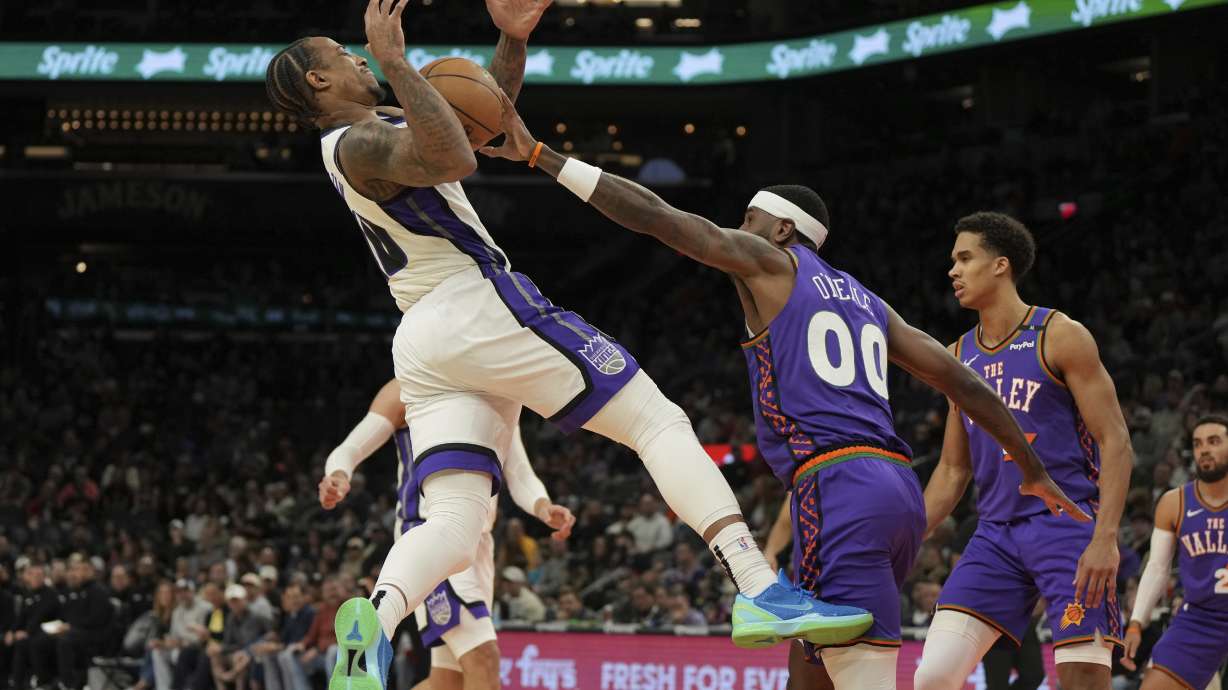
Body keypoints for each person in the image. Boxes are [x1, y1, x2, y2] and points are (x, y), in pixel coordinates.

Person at [266, 0, 871, 683]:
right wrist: (398, 62)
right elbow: (457, 155)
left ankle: (375, 623)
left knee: (457, 521)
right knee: (656, 420)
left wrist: (510, 39)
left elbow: (483, 117)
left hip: (425, 339)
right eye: (342, 55)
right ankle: (759, 587)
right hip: (475, 304)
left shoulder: (369, 135)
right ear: (318, 82)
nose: (357, 57)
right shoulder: (358, 143)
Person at [478, 96, 1086, 689]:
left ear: (783, 228)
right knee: (811, 666)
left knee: (862, 676)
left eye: (748, 220)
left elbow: (660, 218)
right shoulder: (869, 302)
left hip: (837, 486)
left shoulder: (771, 261)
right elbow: (965, 382)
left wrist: (541, 155)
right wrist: (1029, 466)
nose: (738, 231)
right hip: (898, 492)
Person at [916, 212, 1134, 690]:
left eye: (965, 258)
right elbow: (952, 469)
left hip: (1067, 525)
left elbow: (1115, 440)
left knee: (1082, 679)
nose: (953, 270)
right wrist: (907, 535)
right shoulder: (957, 355)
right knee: (933, 675)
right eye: (953, 260)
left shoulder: (1060, 334)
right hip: (995, 533)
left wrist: (1105, 537)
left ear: (1001, 265)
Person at [320, 378, 571, 690]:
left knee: (446, 681)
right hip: (434, 535)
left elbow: (517, 469)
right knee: (484, 661)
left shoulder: (497, 380)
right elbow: (352, 447)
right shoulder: (408, 384)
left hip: (478, 544)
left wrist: (542, 505)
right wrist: (338, 474)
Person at [1122, 416, 1228, 689]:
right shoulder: (1175, 502)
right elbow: (1157, 567)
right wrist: (1136, 622)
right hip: (1201, 618)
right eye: (1198, 443)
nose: (1204, 449)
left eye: (1214, 441)